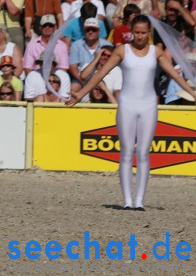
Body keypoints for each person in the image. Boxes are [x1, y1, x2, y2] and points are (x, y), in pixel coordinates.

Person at [68, 15, 196, 210]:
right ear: (131, 32)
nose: (139, 36)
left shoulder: (156, 52)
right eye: (136, 32)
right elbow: (100, 74)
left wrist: (192, 91)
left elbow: (175, 75)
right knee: (126, 152)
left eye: (143, 33)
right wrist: (79, 95)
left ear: (149, 33)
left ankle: (139, 201)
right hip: (127, 104)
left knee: (144, 152)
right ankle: (128, 201)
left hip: (148, 105)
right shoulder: (122, 50)